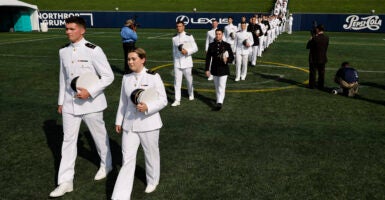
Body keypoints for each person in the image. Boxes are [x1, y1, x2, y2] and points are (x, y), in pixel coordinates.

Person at [50, 16, 114, 198]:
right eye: (67, 29)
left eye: (71, 29)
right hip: (70, 104)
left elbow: (108, 76)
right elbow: (63, 78)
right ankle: (65, 181)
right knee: (68, 141)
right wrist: (61, 101)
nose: (68, 32)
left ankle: (106, 164)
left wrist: (90, 91)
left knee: (99, 137)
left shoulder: (93, 50)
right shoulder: (63, 51)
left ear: (82, 30)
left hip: (91, 103)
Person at [111, 48, 167, 200]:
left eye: (133, 59)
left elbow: (163, 100)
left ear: (143, 59)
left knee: (151, 154)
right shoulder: (126, 78)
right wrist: (119, 120)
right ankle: (120, 196)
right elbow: (123, 102)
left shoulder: (154, 77)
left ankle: (152, 180)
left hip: (149, 123)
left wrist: (148, 107)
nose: (130, 62)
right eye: (128, 59)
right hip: (129, 124)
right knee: (127, 158)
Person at [205, 29, 234, 110]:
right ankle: (219, 100)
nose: (218, 35)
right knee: (217, 86)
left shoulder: (227, 45)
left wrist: (227, 60)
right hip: (214, 69)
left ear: (222, 35)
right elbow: (208, 59)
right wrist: (207, 69)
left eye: (219, 34)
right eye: (217, 34)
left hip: (224, 69)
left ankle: (219, 103)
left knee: (221, 86)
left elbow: (232, 57)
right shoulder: (211, 45)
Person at [171, 21, 198, 107]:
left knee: (189, 80)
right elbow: (174, 51)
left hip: (187, 62)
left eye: (180, 26)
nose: (178, 28)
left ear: (183, 27)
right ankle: (177, 100)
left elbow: (195, 48)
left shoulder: (189, 36)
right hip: (177, 63)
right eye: (177, 26)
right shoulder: (174, 38)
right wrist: (175, 61)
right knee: (177, 82)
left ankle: (191, 93)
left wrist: (187, 51)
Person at [306, 24, 329, 89]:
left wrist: (311, 39)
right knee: (321, 73)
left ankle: (312, 85)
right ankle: (321, 85)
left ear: (318, 29)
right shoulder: (326, 38)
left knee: (313, 73)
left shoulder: (315, 38)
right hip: (323, 58)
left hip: (314, 58)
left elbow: (308, 46)